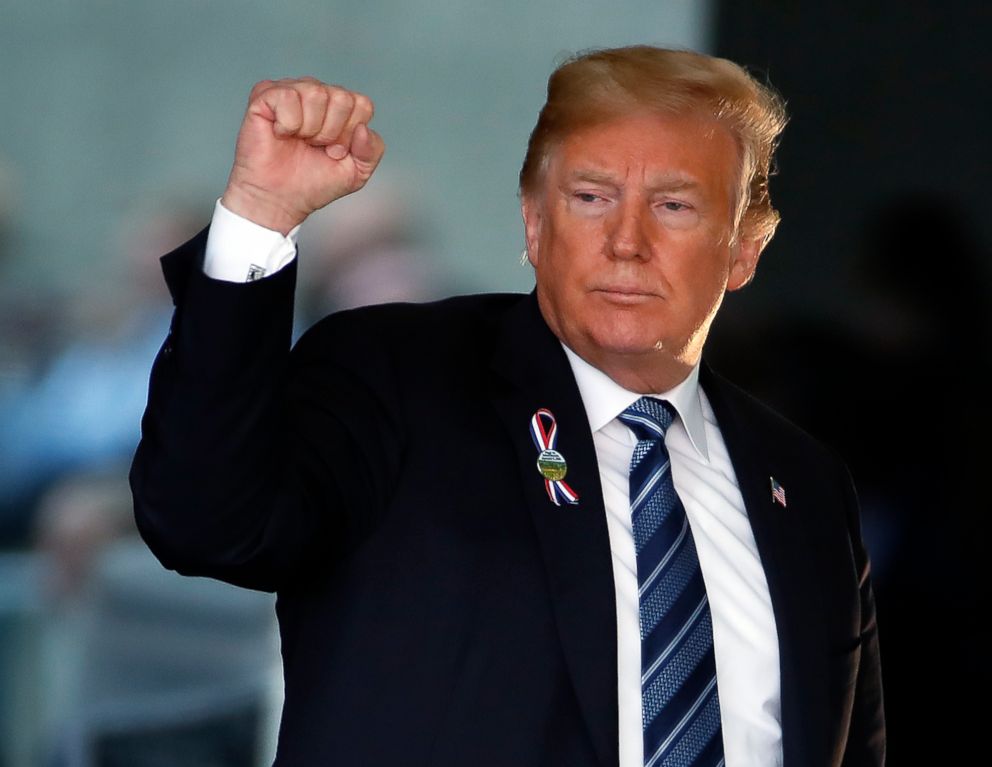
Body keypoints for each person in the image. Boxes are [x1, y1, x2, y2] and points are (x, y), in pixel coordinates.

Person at [131, 46, 884, 766]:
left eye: (675, 204)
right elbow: (205, 519)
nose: (627, 240)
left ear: (744, 248)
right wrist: (261, 213)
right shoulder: (401, 376)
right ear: (533, 221)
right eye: (590, 197)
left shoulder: (806, 485)